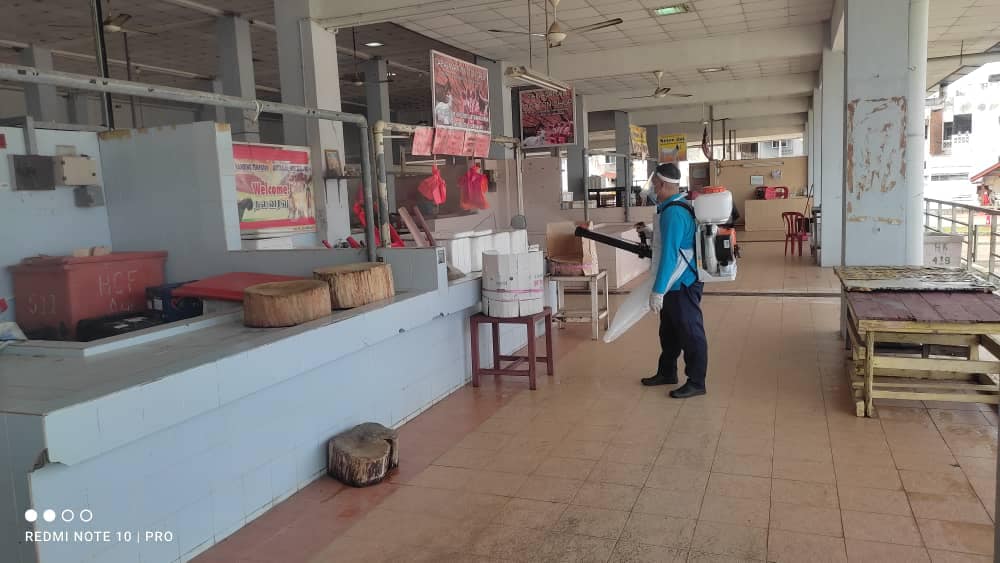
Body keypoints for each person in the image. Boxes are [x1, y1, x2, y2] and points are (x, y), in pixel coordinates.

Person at [639, 162, 709, 398]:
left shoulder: (673, 213)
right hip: (675, 282)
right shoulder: (674, 207)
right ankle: (667, 372)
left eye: (655, 185)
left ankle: (697, 382)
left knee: (690, 331)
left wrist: (658, 291)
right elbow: (673, 242)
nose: (653, 189)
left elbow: (669, 255)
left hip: (683, 282)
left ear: (663, 184)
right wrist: (651, 234)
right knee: (668, 331)